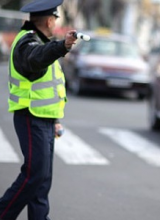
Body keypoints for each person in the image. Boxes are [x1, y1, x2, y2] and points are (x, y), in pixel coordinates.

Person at [0, 0, 77, 219]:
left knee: (42, 180)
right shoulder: (27, 43)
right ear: (50, 20)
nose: (55, 24)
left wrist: (54, 120)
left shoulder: (39, 41)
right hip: (30, 116)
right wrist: (62, 46)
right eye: (55, 19)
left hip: (43, 118)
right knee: (34, 176)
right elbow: (36, 59)